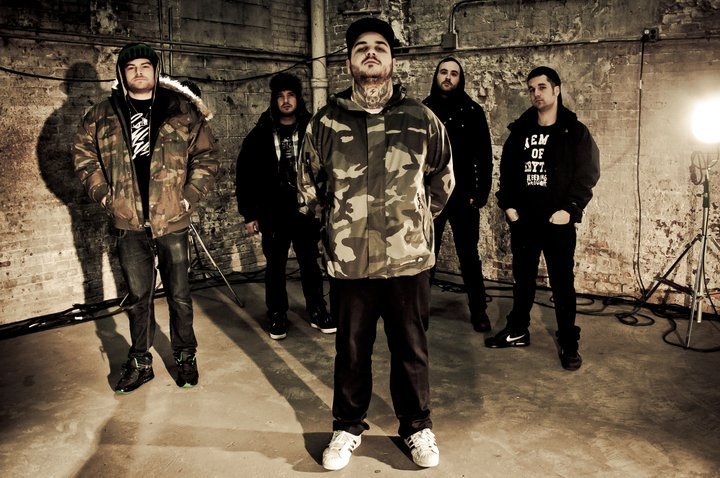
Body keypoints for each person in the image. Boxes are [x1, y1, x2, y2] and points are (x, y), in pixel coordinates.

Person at [297, 17, 454, 470]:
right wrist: (335, 229)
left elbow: (443, 180)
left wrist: (415, 222)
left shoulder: (421, 119)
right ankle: (347, 427)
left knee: (411, 349)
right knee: (351, 351)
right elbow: (307, 186)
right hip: (351, 262)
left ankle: (416, 426)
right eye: (361, 47)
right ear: (349, 61)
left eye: (380, 46)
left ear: (392, 60)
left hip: (408, 260)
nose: (371, 53)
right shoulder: (325, 123)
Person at [73, 42, 220, 392]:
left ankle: (185, 356)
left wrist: (188, 196)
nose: (138, 73)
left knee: (179, 295)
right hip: (129, 221)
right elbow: (84, 156)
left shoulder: (181, 110)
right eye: (131, 68)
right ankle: (140, 362)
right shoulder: (101, 115)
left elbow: (206, 156)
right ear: (121, 74)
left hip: (172, 219)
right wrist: (104, 194)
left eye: (145, 66)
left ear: (156, 71)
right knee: (138, 297)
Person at [485, 66, 600, 371]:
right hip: (524, 220)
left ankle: (569, 341)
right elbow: (507, 171)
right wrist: (508, 206)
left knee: (562, 284)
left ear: (556, 89)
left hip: (557, 221)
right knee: (522, 280)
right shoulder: (520, 131)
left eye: (542, 87)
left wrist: (570, 210)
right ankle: (517, 330)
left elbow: (587, 174)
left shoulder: (574, 131)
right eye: (531, 89)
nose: (536, 94)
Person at [236, 73, 335, 340]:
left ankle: (317, 310)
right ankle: (277, 314)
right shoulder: (260, 134)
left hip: (305, 210)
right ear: (274, 100)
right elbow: (245, 176)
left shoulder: (313, 129)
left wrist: (324, 206)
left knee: (310, 263)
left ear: (298, 98)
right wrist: (250, 214)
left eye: (290, 95)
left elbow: (328, 169)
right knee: (275, 266)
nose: (286, 101)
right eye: (280, 96)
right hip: (273, 211)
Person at [423, 57, 493, 333]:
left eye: (454, 73)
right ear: (436, 76)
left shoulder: (473, 111)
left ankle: (479, 311)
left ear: (460, 79)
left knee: (469, 256)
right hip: (431, 197)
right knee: (427, 255)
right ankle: (419, 311)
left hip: (463, 196)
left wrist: (480, 193)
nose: (448, 77)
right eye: (444, 72)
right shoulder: (423, 111)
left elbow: (484, 155)